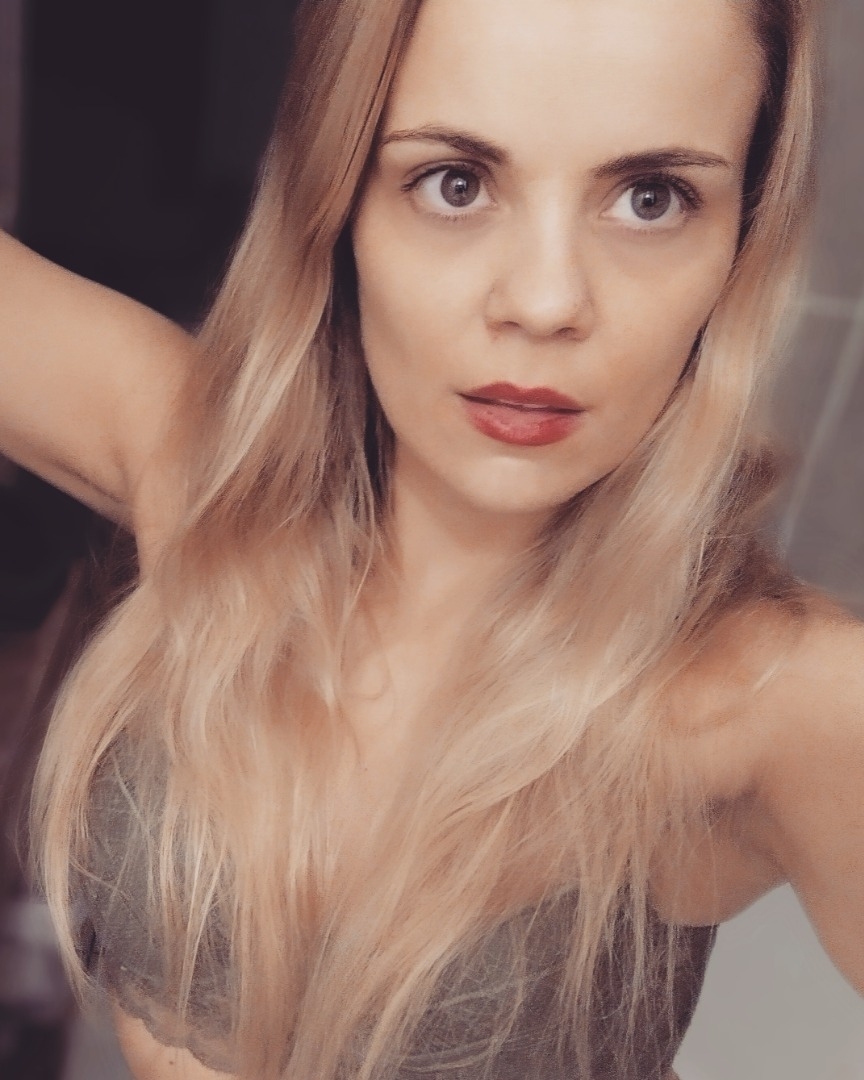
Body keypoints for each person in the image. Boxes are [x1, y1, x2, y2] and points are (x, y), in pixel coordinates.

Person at [1, 0, 862, 1077]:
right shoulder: (207, 481)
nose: (544, 301)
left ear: (741, 239)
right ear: (340, 200)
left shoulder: (781, 699)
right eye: (454, 183)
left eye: (651, 198)